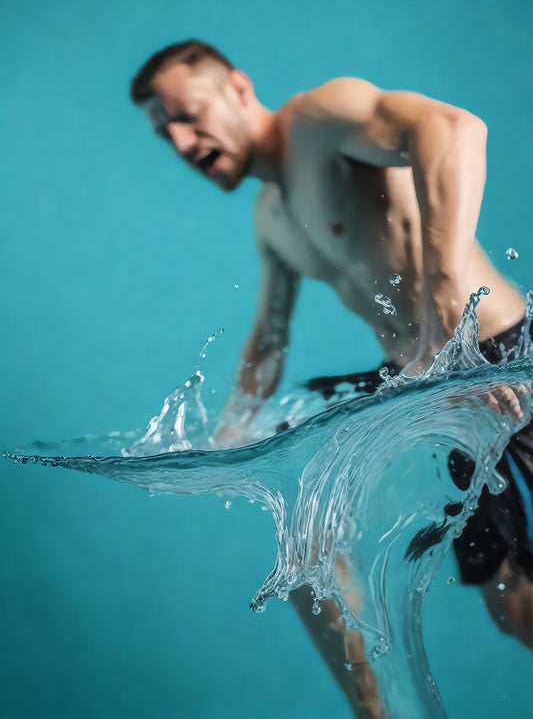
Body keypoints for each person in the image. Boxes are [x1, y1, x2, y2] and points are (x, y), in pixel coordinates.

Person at [130, 40, 533, 713]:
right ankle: (373, 709)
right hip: (423, 385)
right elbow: (268, 338)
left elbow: (455, 128)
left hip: (498, 358)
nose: (180, 139)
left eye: (187, 114)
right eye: (163, 130)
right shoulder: (271, 217)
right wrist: (226, 441)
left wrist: (445, 309)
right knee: (501, 599)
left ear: (236, 85)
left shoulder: (320, 117)